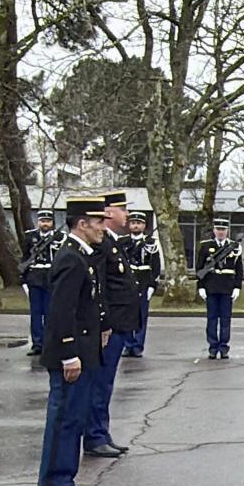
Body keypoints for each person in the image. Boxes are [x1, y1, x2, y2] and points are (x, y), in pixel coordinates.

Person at [36, 197, 109, 486]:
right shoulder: (70, 258)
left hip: (83, 350)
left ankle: (63, 482)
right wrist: (69, 353)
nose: (103, 228)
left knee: (73, 419)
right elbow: (62, 312)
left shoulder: (82, 256)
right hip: (72, 353)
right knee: (64, 420)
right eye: (98, 222)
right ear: (83, 223)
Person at [83, 191, 141, 459]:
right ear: (108, 213)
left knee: (106, 383)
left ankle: (101, 433)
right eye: (122, 210)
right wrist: (104, 323)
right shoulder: (102, 245)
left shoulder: (113, 242)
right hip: (110, 327)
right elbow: (100, 289)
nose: (127, 214)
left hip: (119, 325)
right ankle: (95, 436)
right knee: (100, 382)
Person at [197, 217, 243, 359]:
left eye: (223, 230)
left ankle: (224, 347)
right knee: (211, 318)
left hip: (227, 287)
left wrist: (237, 287)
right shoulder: (206, 246)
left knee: (225, 319)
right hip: (211, 286)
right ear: (214, 230)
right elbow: (200, 268)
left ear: (227, 231)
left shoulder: (234, 247)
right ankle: (212, 346)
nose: (221, 232)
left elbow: (239, 269)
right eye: (218, 229)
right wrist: (201, 286)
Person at [21, 209, 59, 356]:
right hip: (34, 277)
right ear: (38, 222)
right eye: (42, 221)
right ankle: (37, 343)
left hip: (50, 277)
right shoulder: (30, 236)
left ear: (52, 223)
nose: (45, 224)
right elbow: (25, 257)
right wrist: (23, 279)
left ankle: (49, 343)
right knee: (36, 313)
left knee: (50, 312)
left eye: (48, 221)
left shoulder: (59, 237)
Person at [123, 212, 161, 357]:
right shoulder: (123, 242)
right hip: (127, 283)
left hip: (143, 283)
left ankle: (138, 345)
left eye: (139, 223)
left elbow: (155, 266)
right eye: (133, 223)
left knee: (141, 316)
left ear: (144, 226)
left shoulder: (151, 243)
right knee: (126, 316)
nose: (136, 225)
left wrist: (152, 285)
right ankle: (128, 344)